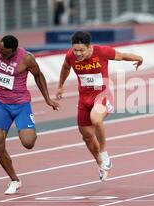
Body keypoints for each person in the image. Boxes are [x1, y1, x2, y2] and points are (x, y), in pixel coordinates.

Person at [0, 0, 60, 194]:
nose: (0, 54)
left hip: (20, 105)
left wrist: (48, 99)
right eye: (0, 51)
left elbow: (39, 76)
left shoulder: (26, 58)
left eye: (4, 53)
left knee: (28, 143)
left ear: (13, 51)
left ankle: (28, 128)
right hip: (1, 103)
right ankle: (14, 179)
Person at [56, 31, 143, 181]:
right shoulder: (70, 56)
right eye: (75, 50)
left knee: (96, 119)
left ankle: (103, 151)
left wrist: (138, 58)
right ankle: (101, 163)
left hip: (102, 95)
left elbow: (121, 56)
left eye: (81, 50)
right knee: (87, 137)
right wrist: (60, 86)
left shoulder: (102, 51)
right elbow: (65, 68)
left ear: (89, 47)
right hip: (84, 100)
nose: (78, 53)